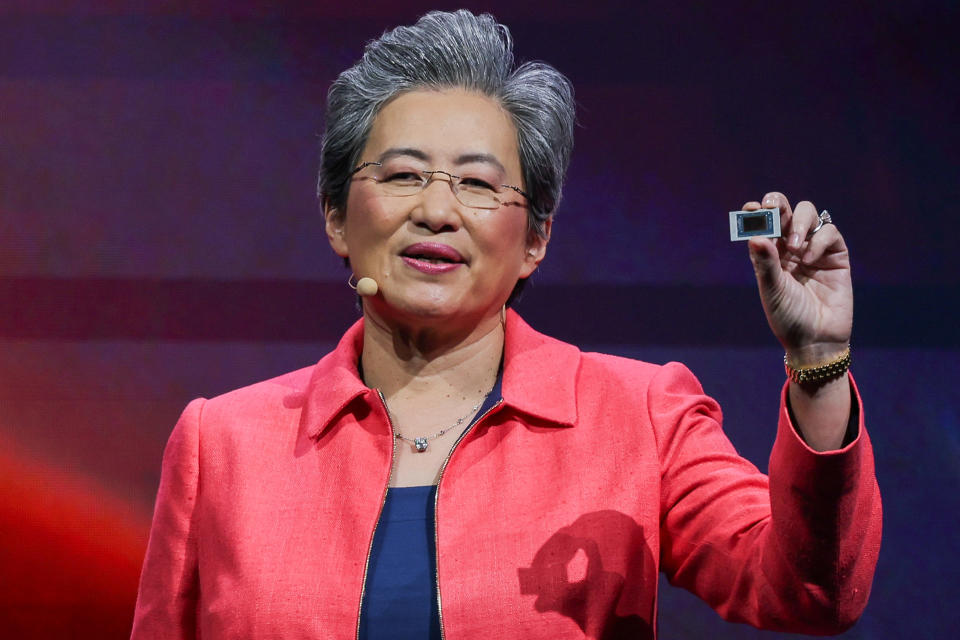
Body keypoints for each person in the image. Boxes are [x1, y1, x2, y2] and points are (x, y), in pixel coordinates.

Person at [130, 10, 881, 640]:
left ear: (534, 241)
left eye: (478, 184)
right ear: (336, 215)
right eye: (401, 174)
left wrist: (819, 362)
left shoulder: (639, 416)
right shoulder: (219, 443)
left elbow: (810, 592)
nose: (436, 209)